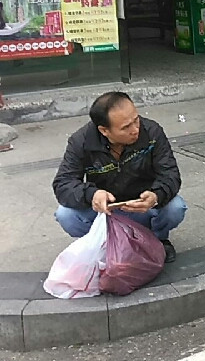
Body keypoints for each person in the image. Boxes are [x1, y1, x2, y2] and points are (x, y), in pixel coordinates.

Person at [53, 91, 187, 263]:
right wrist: (92, 194)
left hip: (141, 207)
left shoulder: (152, 132)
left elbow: (170, 174)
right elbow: (63, 184)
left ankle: (157, 240)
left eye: (136, 120)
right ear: (104, 130)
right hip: (106, 211)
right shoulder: (81, 141)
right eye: (126, 127)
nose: (135, 129)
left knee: (176, 207)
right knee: (65, 214)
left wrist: (155, 195)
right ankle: (107, 244)